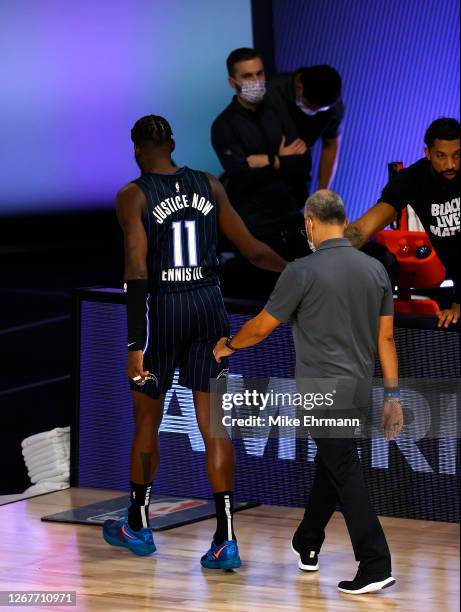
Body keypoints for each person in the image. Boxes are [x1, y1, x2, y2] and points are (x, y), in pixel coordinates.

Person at [102, 114, 286, 569]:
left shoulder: (132, 195)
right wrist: (301, 273)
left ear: (136, 149)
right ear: (173, 143)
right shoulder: (208, 183)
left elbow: (136, 269)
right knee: (214, 427)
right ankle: (226, 540)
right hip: (209, 307)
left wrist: (134, 345)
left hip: (165, 312)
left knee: (147, 423)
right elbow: (253, 251)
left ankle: (138, 526)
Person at [214, 190, 403, 594]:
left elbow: (262, 327)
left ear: (310, 224)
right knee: (332, 465)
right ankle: (308, 540)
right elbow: (386, 340)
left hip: (320, 392)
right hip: (357, 388)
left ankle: (375, 563)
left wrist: (227, 345)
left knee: (343, 470)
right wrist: (393, 397)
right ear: (343, 219)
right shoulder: (376, 270)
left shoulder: (301, 270)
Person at [211, 48, 311, 296]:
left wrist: (267, 161)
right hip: (255, 225)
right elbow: (242, 176)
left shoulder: (279, 112)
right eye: (247, 76)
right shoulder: (224, 125)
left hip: (291, 216)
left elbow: (304, 162)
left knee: (308, 295)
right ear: (232, 82)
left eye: (259, 73)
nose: (255, 81)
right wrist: (282, 161)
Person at [345, 117, 460, 327]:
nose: (450, 164)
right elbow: (363, 229)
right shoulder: (412, 180)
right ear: (428, 153)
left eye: (457, 155)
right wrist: (323, 260)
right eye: (441, 156)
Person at [266, 65, 344, 192]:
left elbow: (330, 144)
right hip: (260, 175)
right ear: (299, 88)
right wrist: (277, 158)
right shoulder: (270, 91)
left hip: (297, 180)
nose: (314, 112)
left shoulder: (332, 105)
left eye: (320, 109)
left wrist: (323, 190)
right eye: (310, 106)